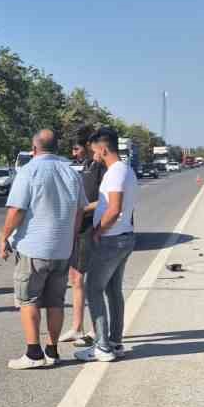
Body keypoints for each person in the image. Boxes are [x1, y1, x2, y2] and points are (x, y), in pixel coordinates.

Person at [0, 129, 85, 369]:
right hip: (62, 249)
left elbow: (16, 210)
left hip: (33, 249)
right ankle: (53, 350)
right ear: (56, 147)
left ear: (33, 148)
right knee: (56, 302)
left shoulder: (28, 171)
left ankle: (33, 354)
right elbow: (79, 211)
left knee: (29, 300)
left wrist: (4, 237)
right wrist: (71, 237)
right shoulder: (71, 172)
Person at [76, 126, 138, 362]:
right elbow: (108, 204)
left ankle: (102, 346)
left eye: (95, 152)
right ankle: (115, 341)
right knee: (113, 291)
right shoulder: (127, 171)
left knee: (93, 289)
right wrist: (86, 208)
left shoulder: (114, 173)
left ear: (103, 149)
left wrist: (97, 231)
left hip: (111, 238)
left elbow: (113, 209)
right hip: (125, 236)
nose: (94, 157)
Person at [61, 126, 106, 347]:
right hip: (79, 228)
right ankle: (77, 327)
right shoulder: (86, 167)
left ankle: (97, 331)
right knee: (75, 279)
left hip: (91, 229)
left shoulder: (101, 169)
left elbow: (107, 202)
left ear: (88, 146)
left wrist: (83, 209)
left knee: (88, 281)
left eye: (77, 148)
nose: (74, 153)